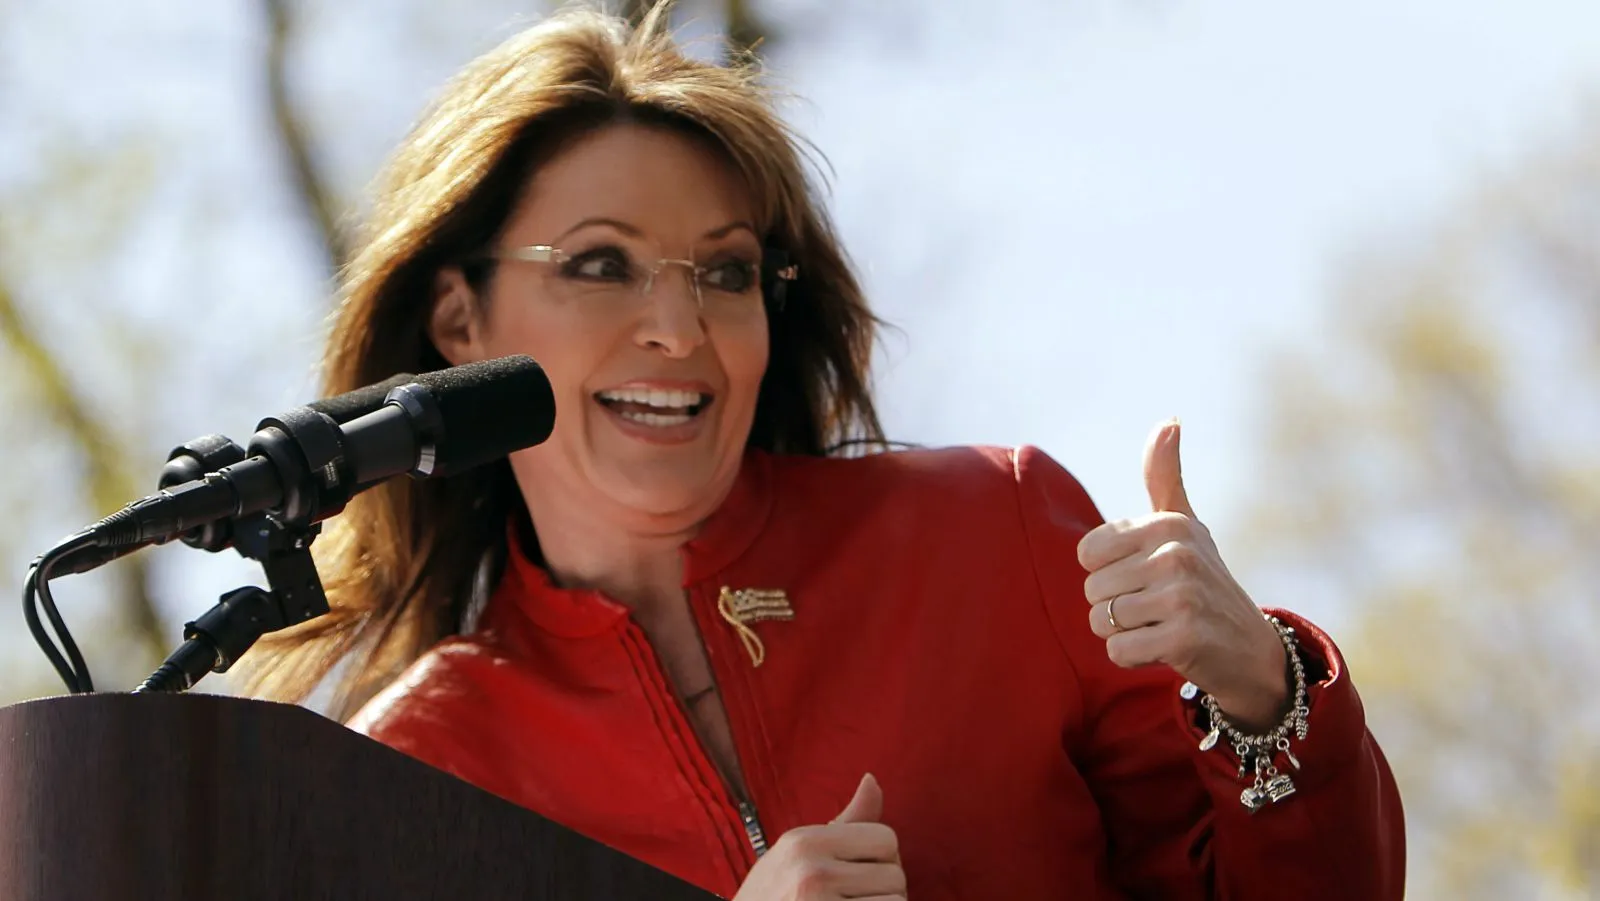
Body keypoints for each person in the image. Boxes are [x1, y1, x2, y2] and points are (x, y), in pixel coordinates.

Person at [240, 5, 1405, 899]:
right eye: (601, 265)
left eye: (726, 270)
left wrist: (1267, 697)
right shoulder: (417, 770)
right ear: (460, 322)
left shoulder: (991, 532)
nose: (679, 328)